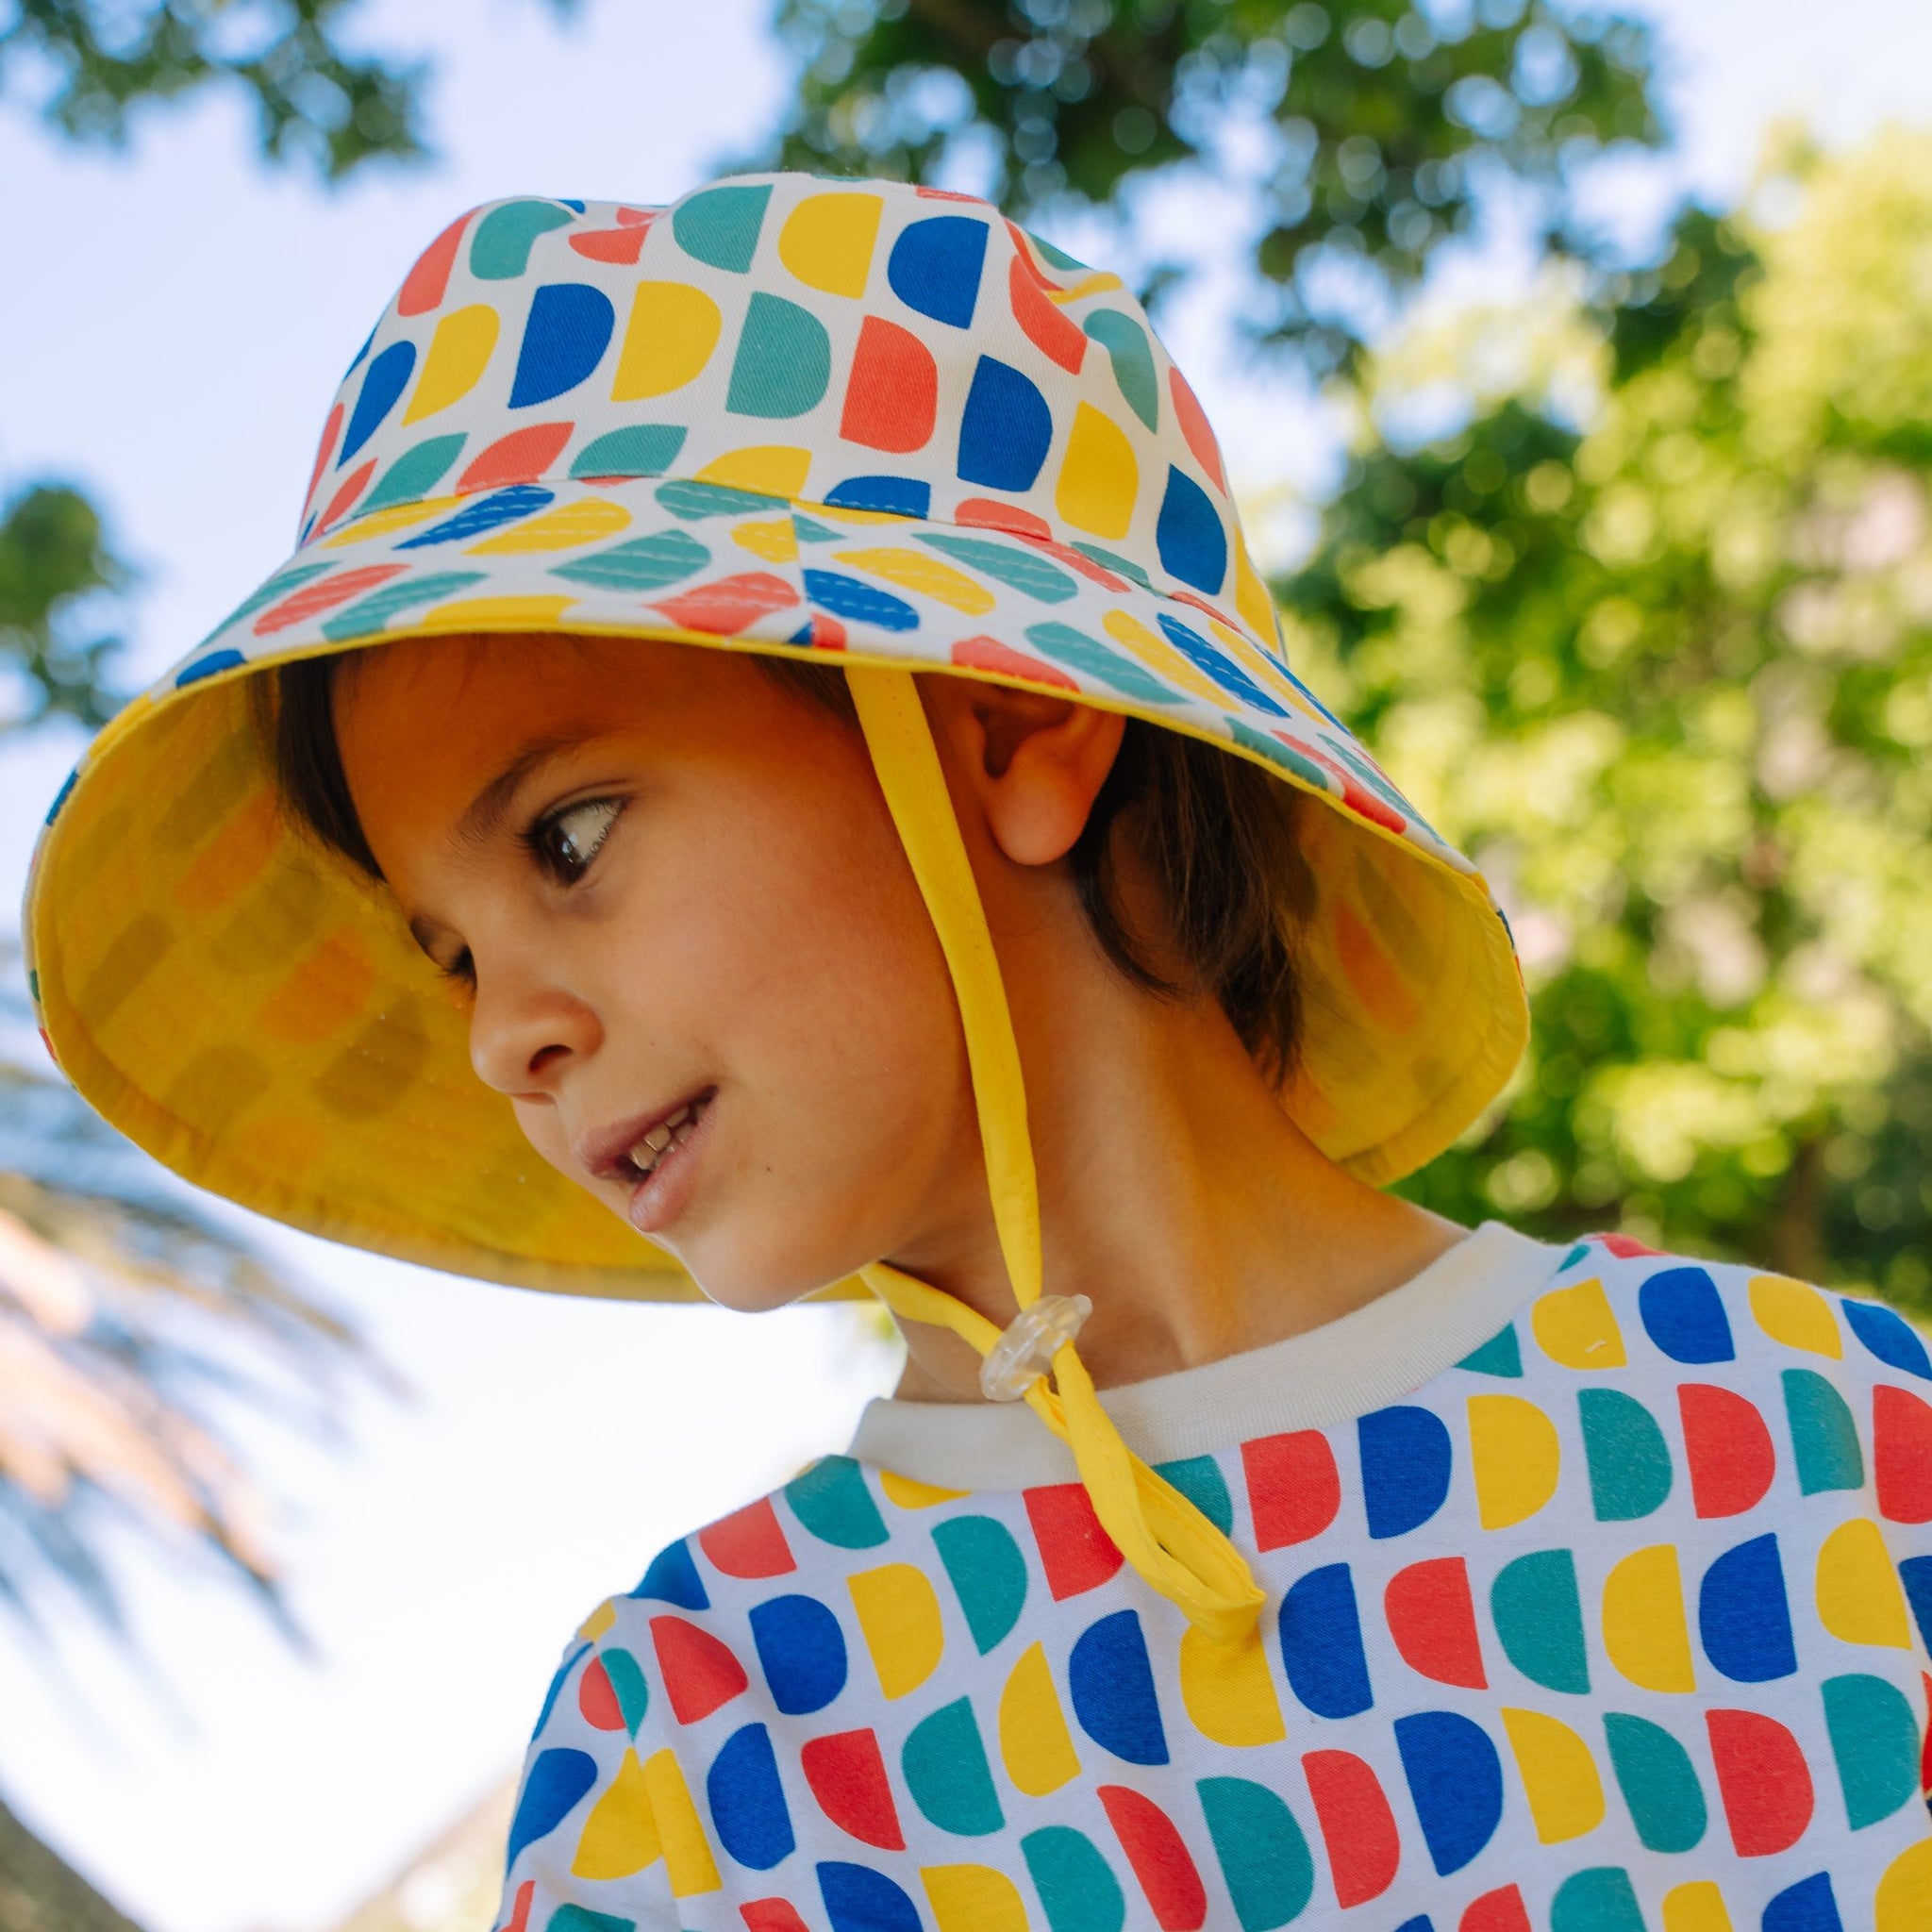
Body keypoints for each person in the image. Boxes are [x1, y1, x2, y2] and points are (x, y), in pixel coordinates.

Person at [25, 173, 1932, 1932]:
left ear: (1015, 725)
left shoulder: (1823, 1450)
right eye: (448, 960)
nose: (504, 1038)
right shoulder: (715, 1748)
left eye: (571, 841)